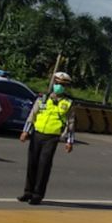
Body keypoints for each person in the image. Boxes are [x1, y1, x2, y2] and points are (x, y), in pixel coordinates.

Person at [18, 71, 75, 205]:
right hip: (37, 134)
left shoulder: (68, 103)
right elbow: (33, 115)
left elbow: (71, 123)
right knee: (32, 164)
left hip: (52, 137)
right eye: (56, 83)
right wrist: (25, 131)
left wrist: (69, 141)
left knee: (43, 166)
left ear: (65, 87)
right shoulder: (43, 99)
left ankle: (37, 195)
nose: (58, 86)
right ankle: (28, 192)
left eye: (61, 84)